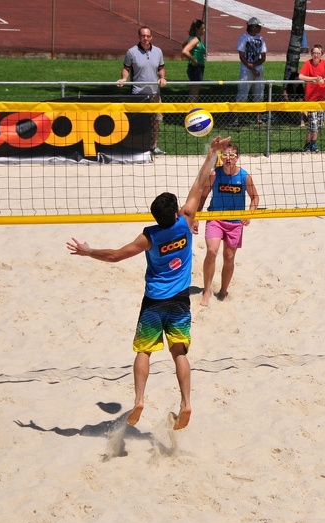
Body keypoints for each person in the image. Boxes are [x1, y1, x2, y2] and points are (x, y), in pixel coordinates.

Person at [66, 135, 233, 430]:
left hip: (155, 300)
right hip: (181, 298)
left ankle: (140, 399)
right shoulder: (186, 220)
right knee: (178, 352)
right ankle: (186, 402)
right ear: (175, 212)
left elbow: (116, 256)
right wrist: (212, 153)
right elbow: (199, 182)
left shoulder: (150, 236)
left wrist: (88, 251)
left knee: (144, 351)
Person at [194, 141, 259, 307]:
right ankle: (207, 290)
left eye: (232, 155)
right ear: (221, 157)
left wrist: (249, 214)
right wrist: (196, 217)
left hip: (235, 222)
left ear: (237, 158)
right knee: (211, 250)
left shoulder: (244, 176)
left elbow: (255, 198)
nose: (228, 158)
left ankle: (223, 291)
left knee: (229, 257)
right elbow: (202, 196)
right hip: (215, 218)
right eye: (225, 155)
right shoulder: (215, 174)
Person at [118, 26, 167, 155]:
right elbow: (126, 68)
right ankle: (135, 146)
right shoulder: (131, 52)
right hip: (138, 94)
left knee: (156, 121)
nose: (146, 38)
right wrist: (123, 78)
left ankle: (153, 146)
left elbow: (161, 68)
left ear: (151, 37)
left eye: (148, 36)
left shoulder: (158, 51)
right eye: (143, 36)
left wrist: (162, 78)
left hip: (154, 93)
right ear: (139, 37)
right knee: (137, 122)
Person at [299, 44, 325, 153]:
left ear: (321, 55)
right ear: (311, 54)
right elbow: (301, 76)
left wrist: (323, 80)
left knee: (319, 125)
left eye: (318, 53)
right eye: (314, 53)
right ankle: (307, 144)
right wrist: (314, 78)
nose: (316, 55)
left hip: (322, 99)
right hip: (311, 100)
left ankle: (312, 144)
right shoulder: (307, 64)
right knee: (313, 124)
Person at [235, 17, 267, 125]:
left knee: (259, 93)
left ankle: (258, 117)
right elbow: (242, 56)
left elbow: (263, 57)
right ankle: (237, 118)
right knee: (242, 93)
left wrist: (255, 66)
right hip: (246, 70)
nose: (260, 28)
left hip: (258, 69)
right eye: (258, 26)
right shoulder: (243, 38)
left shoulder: (261, 39)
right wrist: (251, 68)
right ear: (252, 27)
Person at [181, 19, 207, 102]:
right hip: (196, 68)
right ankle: (190, 110)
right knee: (194, 93)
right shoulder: (195, 40)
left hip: (197, 68)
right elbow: (185, 51)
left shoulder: (193, 38)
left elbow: (183, 45)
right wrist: (194, 60)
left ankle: (190, 109)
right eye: (202, 29)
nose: (204, 31)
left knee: (194, 92)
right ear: (197, 29)